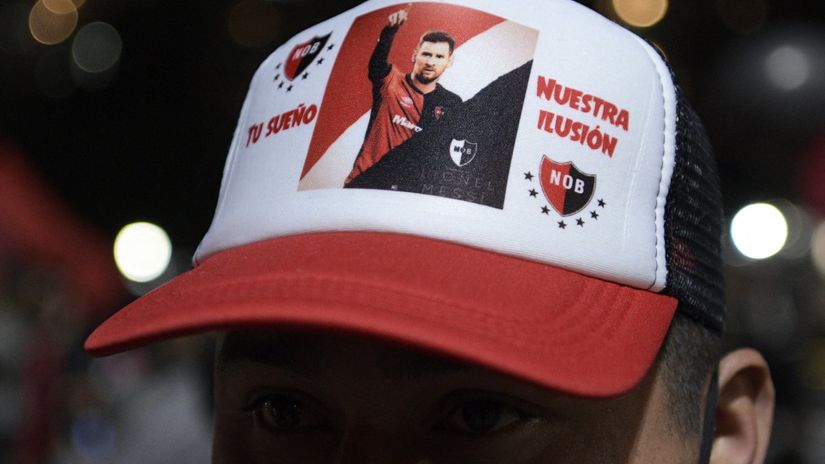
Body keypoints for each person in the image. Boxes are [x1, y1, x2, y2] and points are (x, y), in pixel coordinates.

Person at [85, 0, 775, 463]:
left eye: (481, 416)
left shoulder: (449, 108)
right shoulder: (388, 84)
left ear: (723, 437)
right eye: (282, 412)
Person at [344, 7, 462, 185]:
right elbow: (377, 63)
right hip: (364, 181)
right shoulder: (390, 81)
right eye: (426, 54)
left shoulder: (451, 103)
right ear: (415, 55)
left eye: (439, 56)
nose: (430, 62)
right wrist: (389, 32)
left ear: (449, 61)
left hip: (407, 192)